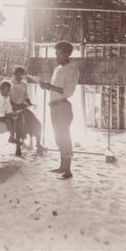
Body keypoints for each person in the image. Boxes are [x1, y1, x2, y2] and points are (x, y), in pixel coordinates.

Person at [39, 40, 79, 180]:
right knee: (58, 137)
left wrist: (49, 86)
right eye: (56, 53)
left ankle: (68, 171)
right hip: (54, 106)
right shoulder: (57, 69)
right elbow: (54, 88)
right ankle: (62, 167)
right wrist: (46, 86)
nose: (56, 56)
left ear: (67, 54)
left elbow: (68, 92)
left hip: (63, 106)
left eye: (58, 53)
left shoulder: (72, 70)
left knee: (64, 137)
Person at [10, 67, 46, 154]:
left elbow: (26, 98)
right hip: (12, 108)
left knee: (38, 124)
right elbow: (6, 97)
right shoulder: (10, 84)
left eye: (20, 75)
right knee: (20, 124)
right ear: (14, 75)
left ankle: (38, 144)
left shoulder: (25, 85)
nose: (19, 76)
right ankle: (18, 148)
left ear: (22, 75)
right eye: (17, 74)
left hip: (23, 107)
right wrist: (13, 106)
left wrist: (31, 104)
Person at [0, 80, 25, 157]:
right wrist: (6, 114)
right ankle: (12, 136)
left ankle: (12, 136)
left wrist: (12, 113)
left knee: (16, 116)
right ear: (1, 89)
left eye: (9, 91)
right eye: (6, 91)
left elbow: (9, 108)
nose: (8, 93)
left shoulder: (7, 97)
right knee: (8, 119)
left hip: (6, 114)